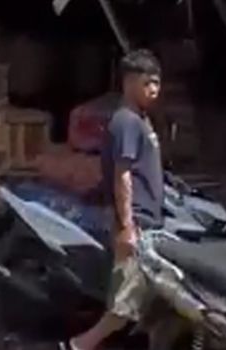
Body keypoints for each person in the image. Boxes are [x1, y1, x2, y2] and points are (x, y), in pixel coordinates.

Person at [65, 49, 165, 350]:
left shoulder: (140, 120)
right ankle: (77, 346)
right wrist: (126, 225)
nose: (154, 91)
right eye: (148, 83)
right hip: (136, 220)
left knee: (145, 298)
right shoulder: (126, 122)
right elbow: (122, 175)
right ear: (130, 82)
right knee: (125, 304)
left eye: (158, 84)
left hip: (147, 220)